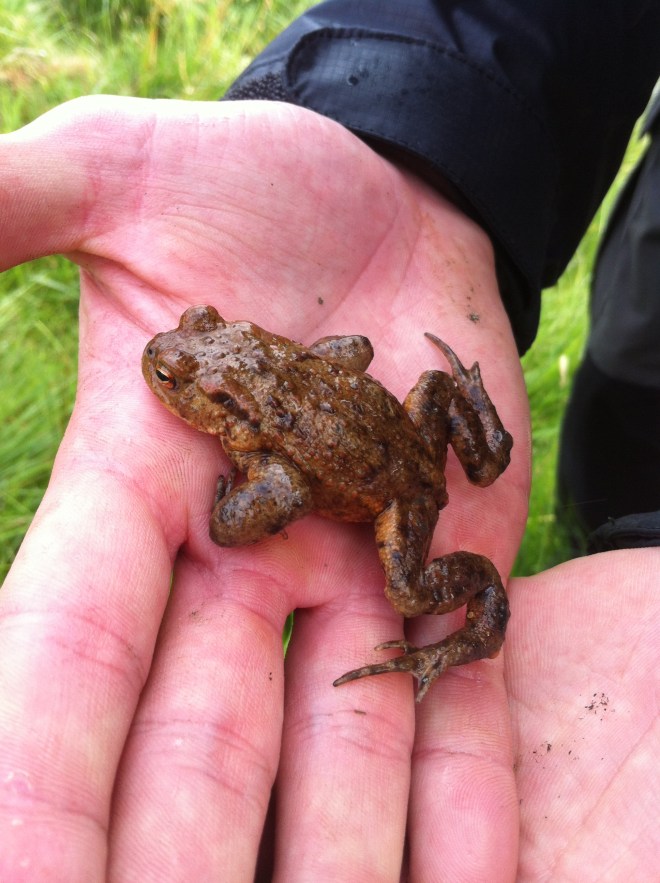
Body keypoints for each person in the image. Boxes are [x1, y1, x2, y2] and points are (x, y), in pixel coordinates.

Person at [0, 3, 657, 880]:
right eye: (190, 353)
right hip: (386, 420)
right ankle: (498, 440)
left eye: (191, 378)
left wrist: (225, 506)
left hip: (396, 492)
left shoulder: (262, 435)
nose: (171, 367)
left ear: (227, 402)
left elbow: (280, 492)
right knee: (503, 399)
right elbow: (351, 353)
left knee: (404, 585)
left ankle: (479, 622)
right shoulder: (275, 364)